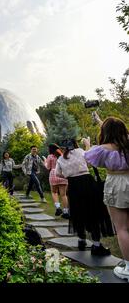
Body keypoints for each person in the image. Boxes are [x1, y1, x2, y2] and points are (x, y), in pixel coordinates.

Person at [83, 116, 129, 280]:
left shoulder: (102, 149)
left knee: (122, 228)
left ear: (105, 132)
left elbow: (88, 157)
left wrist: (88, 145)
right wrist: (100, 120)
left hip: (116, 184)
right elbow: (117, 130)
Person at [55, 138, 114, 256]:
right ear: (75, 144)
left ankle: (81, 241)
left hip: (73, 186)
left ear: (63, 148)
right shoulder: (81, 151)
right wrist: (88, 144)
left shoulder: (60, 159)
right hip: (87, 183)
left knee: (78, 212)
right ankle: (96, 245)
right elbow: (90, 158)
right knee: (93, 212)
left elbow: (57, 173)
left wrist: (68, 174)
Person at [45, 144, 70, 218]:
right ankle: (66, 212)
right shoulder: (63, 156)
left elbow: (48, 167)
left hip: (53, 174)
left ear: (50, 149)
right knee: (64, 194)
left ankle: (58, 208)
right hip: (62, 174)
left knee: (54, 192)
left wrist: (45, 162)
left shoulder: (50, 156)